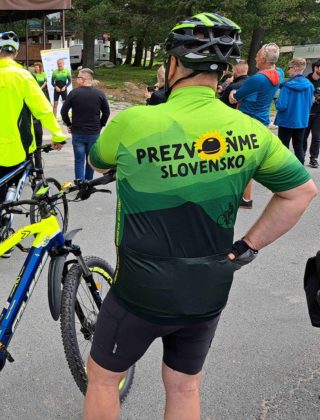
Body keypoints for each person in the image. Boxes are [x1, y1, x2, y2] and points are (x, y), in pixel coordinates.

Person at [85, 13, 317, 420]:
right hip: (209, 287)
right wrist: (246, 247)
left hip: (141, 289)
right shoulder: (251, 131)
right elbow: (300, 192)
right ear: (225, 71)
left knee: (104, 379)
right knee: (185, 386)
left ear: (174, 65)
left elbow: (98, 158)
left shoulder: (134, 121)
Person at [0, 31, 65, 207]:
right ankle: (9, 225)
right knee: (14, 194)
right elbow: (43, 110)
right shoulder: (23, 76)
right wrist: (57, 134)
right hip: (18, 146)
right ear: (16, 54)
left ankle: (1, 227)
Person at [229, 43, 282, 209]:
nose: (255, 58)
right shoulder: (278, 73)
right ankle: (245, 197)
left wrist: (232, 93)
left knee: (243, 162)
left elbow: (234, 98)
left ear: (265, 60)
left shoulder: (258, 78)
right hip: (262, 119)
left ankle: (245, 198)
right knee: (248, 160)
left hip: (248, 121)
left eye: (258, 55)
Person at [61, 68, 109, 181]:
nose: (76, 79)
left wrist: (69, 124)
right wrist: (100, 125)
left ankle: (80, 183)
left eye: (78, 77)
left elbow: (63, 111)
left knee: (79, 160)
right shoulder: (99, 93)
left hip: (77, 132)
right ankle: (89, 182)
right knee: (90, 159)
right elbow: (106, 112)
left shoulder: (74, 93)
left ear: (83, 79)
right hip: (94, 132)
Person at [275, 58, 314, 163]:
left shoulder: (287, 86)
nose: (288, 70)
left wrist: (276, 101)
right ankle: (300, 174)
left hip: (286, 121)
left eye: (290, 68)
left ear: (295, 68)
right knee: (298, 147)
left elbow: (281, 106)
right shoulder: (310, 86)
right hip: (301, 121)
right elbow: (310, 104)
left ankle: (284, 172)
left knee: (283, 148)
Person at [304, 60, 320, 168]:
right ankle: (300, 156)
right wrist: (310, 99)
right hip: (306, 113)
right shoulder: (306, 81)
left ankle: (313, 159)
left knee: (316, 137)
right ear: (316, 68)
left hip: (319, 113)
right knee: (303, 136)